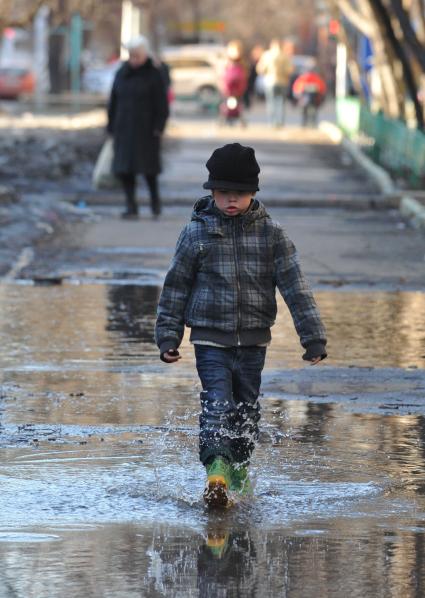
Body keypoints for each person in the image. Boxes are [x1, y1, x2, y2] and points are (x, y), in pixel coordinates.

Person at [155, 143, 327, 508]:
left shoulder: (272, 236)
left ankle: (239, 469)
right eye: (223, 193)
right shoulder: (195, 234)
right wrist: (169, 336)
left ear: (253, 193)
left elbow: (295, 287)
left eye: (240, 194)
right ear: (212, 192)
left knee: (246, 408)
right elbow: (176, 286)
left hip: (253, 341)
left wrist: (312, 338)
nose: (231, 200)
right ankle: (216, 469)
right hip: (209, 339)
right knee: (217, 402)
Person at [107, 35, 169, 219]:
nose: (134, 60)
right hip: (124, 128)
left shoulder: (154, 74)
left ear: (144, 55)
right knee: (125, 170)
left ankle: (155, 203)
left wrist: (159, 125)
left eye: (137, 56)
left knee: (149, 170)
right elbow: (113, 101)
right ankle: (130, 206)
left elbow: (161, 104)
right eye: (131, 56)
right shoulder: (121, 73)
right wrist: (110, 125)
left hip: (147, 130)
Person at [256, 39, 293, 127]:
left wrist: (266, 73)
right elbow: (289, 70)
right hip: (282, 82)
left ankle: (272, 121)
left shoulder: (266, 55)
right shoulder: (284, 56)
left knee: (271, 102)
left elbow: (260, 69)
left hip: (270, 81)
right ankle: (280, 121)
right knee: (281, 103)